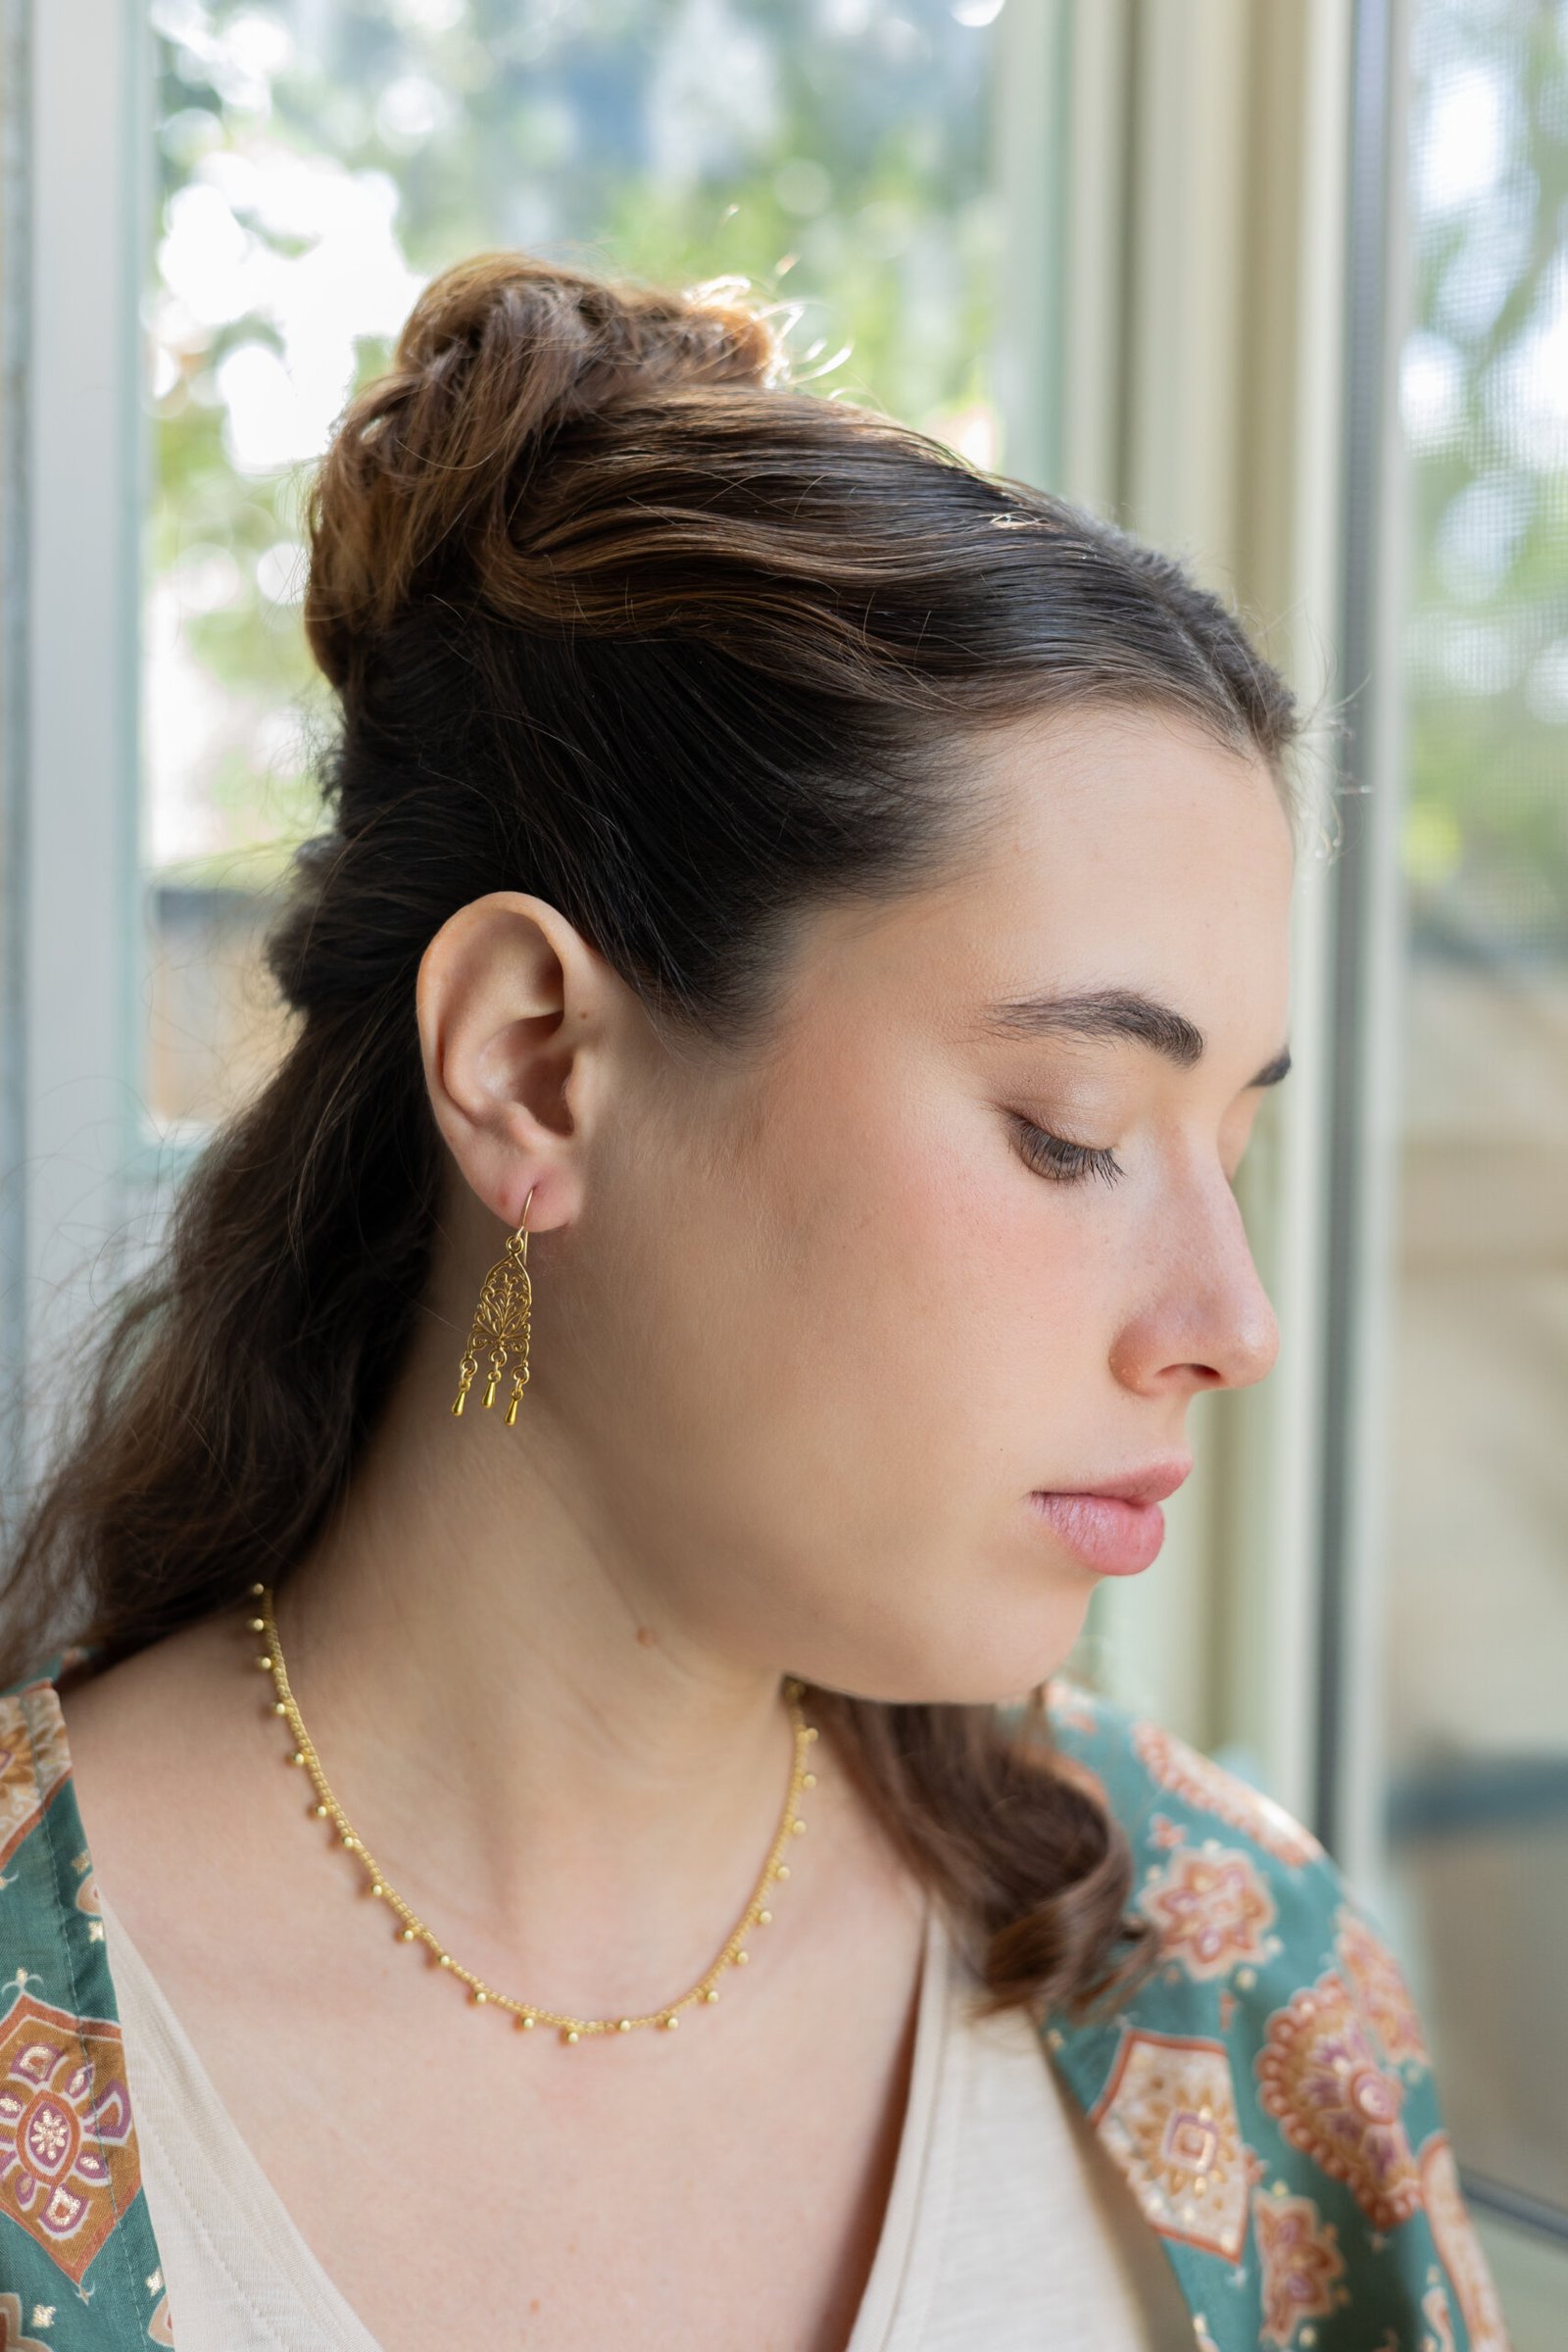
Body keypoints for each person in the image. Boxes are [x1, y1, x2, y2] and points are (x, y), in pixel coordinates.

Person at [0, 254, 1507, 2352]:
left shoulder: (1232, 1989)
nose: (1227, 1322)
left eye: (1228, 1146)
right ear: (535, 1065)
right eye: (1069, 1130)